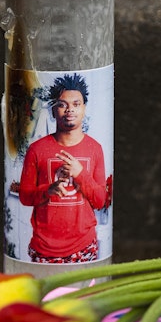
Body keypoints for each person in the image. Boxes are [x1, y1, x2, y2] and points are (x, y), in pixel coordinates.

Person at [19, 73, 107, 263]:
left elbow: (101, 201)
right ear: (53, 111)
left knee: (84, 293)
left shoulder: (95, 148)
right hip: (43, 248)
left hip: (84, 246)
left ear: (84, 109)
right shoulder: (37, 150)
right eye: (62, 104)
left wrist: (80, 174)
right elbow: (25, 197)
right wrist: (48, 190)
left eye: (76, 104)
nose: (70, 110)